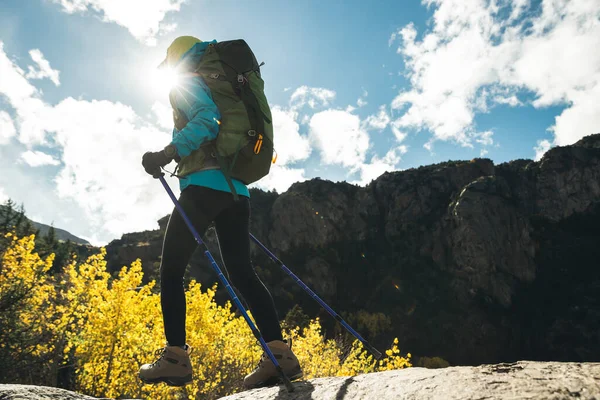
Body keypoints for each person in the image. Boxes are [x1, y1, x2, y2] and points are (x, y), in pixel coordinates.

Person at [139, 36, 302, 388]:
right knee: (243, 273)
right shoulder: (221, 79)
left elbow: (208, 120)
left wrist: (166, 153)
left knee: (170, 272)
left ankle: (175, 358)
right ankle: (280, 355)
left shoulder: (188, 81)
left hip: (204, 187)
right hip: (236, 190)